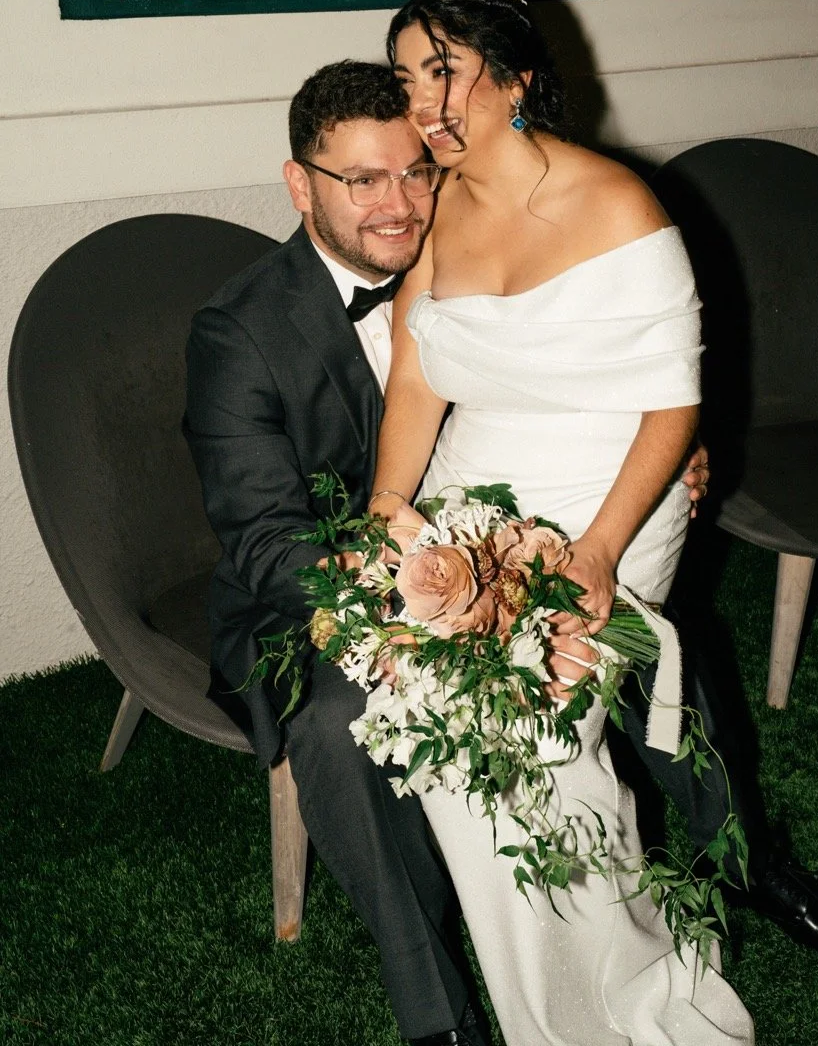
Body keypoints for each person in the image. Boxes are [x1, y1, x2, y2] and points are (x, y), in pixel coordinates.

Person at [370, 0, 818, 1041]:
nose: (426, 99)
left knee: (539, 746)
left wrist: (601, 552)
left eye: (445, 69)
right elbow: (418, 374)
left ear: (516, 79)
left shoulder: (617, 205)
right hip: (471, 493)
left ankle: (633, 997)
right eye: (407, 77)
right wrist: (391, 501)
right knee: (448, 753)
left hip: (611, 496)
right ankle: (552, 1006)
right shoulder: (441, 203)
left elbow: (673, 404)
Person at [183, 58, 711, 1046]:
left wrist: (658, 444)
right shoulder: (238, 333)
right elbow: (262, 537)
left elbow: (590, 371)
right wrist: (398, 606)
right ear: (300, 184)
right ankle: (440, 1015)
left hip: (490, 540)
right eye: (362, 180)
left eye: (415, 171)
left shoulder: (472, 248)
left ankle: (745, 856)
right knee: (343, 719)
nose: (400, 204)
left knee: (623, 602)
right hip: (315, 593)